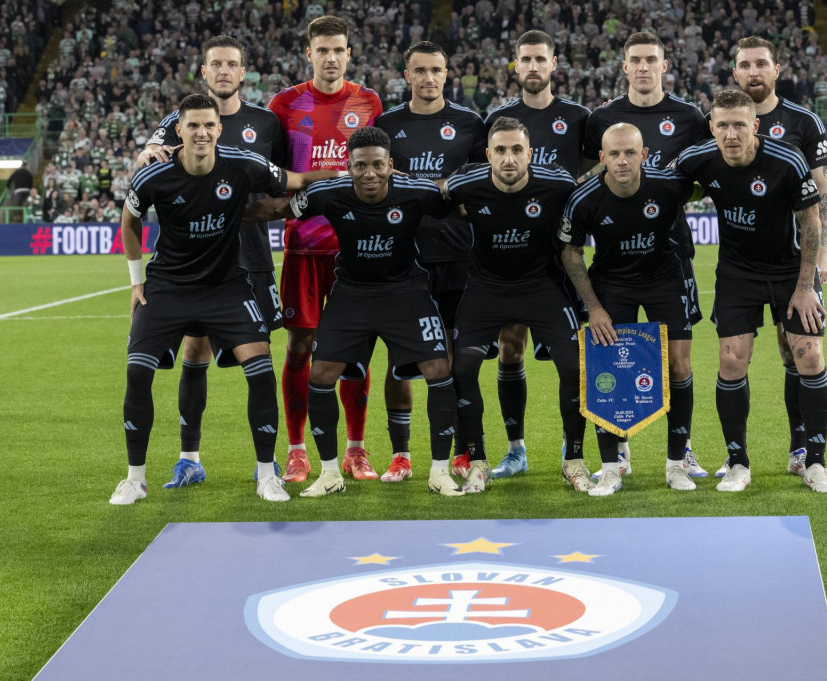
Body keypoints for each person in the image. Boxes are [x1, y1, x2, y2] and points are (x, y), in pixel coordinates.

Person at [110, 93, 323, 505]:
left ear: (219, 129)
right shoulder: (153, 175)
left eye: (208, 125)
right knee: (138, 373)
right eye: (193, 126)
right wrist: (137, 283)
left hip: (227, 286)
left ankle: (266, 475)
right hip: (168, 287)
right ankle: (135, 479)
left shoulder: (243, 163)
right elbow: (129, 219)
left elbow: (295, 181)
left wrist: (344, 175)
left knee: (260, 368)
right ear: (179, 130)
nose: (202, 132)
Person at [246, 127, 464, 497]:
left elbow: (461, 205)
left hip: (406, 292)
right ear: (348, 166)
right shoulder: (327, 193)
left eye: (378, 165)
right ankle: (330, 472)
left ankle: (440, 471)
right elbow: (278, 208)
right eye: (360, 166)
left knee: (439, 368)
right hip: (352, 293)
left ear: (391, 165)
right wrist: (216, 205)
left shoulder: (418, 191)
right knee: (321, 374)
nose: (370, 174)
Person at [137, 35, 288, 490]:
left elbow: (281, 181)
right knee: (195, 353)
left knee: (259, 356)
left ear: (244, 72)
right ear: (204, 72)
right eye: (216, 64)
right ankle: (189, 458)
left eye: (232, 64)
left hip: (252, 255)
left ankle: (268, 464)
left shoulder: (267, 123)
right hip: (195, 263)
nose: (224, 71)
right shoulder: (176, 122)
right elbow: (147, 159)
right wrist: (146, 153)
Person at [674, 89, 827, 494]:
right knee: (732, 363)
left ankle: (815, 464)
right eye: (723, 126)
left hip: (789, 270)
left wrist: (804, 288)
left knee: (810, 357)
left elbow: (811, 225)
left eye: (739, 125)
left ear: (755, 126)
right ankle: (737, 462)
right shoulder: (697, 159)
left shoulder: (786, 160)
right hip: (737, 273)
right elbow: (662, 186)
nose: (731, 134)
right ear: (712, 127)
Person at [582, 31, 710, 478]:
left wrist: (665, 198)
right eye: (635, 59)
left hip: (671, 254)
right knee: (615, 358)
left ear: (664, 64)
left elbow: (701, 173)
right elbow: (586, 175)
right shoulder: (602, 117)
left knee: (679, 359)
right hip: (615, 261)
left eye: (650, 59)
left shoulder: (689, 116)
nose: (642, 67)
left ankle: (683, 451)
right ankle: (618, 453)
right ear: (624, 65)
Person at [445, 117, 594, 495]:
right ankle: (477, 461)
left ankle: (574, 460)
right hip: (485, 290)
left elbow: (589, 206)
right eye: (500, 151)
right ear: (488, 155)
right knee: (461, 368)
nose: (508, 159)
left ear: (529, 154)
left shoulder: (558, 182)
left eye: (516, 150)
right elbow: (427, 202)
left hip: (541, 288)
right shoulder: (465, 184)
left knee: (574, 367)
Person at [269, 16, 383, 485]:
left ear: (350, 54)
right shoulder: (286, 104)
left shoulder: (369, 103)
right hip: (304, 246)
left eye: (339, 50)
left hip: (356, 248)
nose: (331, 57)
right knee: (299, 346)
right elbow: (274, 175)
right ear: (309, 54)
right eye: (323, 50)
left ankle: (356, 450)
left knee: (355, 350)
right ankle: (297, 451)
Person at [475, 29, 591, 479]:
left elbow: (591, 167)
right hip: (513, 251)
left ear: (554, 64)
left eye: (541, 59)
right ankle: (516, 449)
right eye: (525, 60)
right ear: (515, 65)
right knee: (511, 347)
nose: (533, 67)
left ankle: (572, 447)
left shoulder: (578, 116)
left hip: (563, 251)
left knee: (572, 351)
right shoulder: (499, 118)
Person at [560, 123, 700, 492]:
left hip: (664, 279)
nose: (623, 161)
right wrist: (594, 307)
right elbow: (570, 251)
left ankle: (676, 464)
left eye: (630, 153)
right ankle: (611, 466)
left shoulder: (670, 185)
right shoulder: (584, 198)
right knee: (605, 367)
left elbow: (711, 183)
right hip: (611, 285)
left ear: (645, 154)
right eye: (615, 154)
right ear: (601, 157)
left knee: (678, 365)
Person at [372, 41, 487, 482]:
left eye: (435, 70)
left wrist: (423, 184)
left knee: (456, 360)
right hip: (403, 257)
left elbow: (477, 183)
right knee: (399, 359)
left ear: (447, 73)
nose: (428, 78)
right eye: (419, 70)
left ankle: (461, 451)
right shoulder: (387, 124)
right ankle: (401, 455)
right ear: (407, 75)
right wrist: (436, 187)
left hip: (459, 256)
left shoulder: (469, 123)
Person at [722, 35, 827, 479]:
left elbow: (822, 193)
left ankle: (801, 450)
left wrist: (822, 251)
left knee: (799, 354)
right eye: (745, 65)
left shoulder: (802, 122)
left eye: (761, 64)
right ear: (736, 73)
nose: (753, 72)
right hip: (742, 265)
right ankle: (738, 459)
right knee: (737, 358)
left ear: (776, 69)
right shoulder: (726, 118)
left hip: (795, 262)